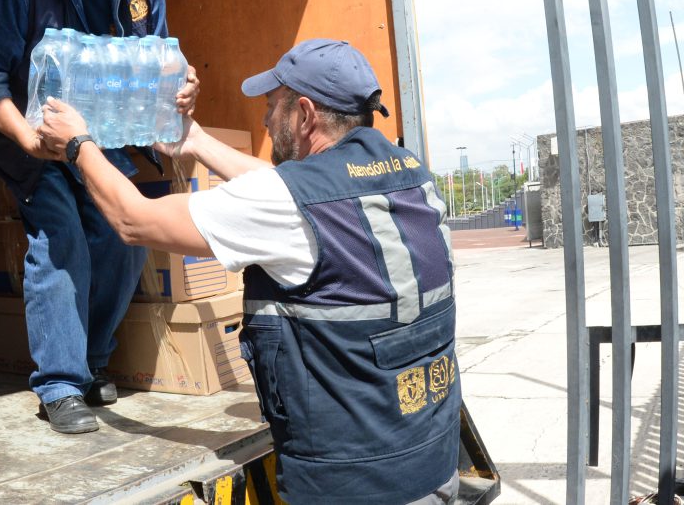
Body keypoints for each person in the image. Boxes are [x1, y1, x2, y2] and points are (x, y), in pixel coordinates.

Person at [38, 38, 460, 503]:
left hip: (350, 485)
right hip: (433, 462)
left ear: (304, 114)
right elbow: (285, 191)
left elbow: (134, 220)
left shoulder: (291, 203)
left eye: (271, 105)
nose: (263, 119)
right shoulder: (412, 176)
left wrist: (78, 144)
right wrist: (194, 140)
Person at [0, 0, 199, 434]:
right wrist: (27, 135)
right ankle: (60, 384)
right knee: (61, 229)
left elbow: (156, 59)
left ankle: (91, 362)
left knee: (127, 232)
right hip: (28, 134)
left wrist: (183, 83)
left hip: (100, 137)